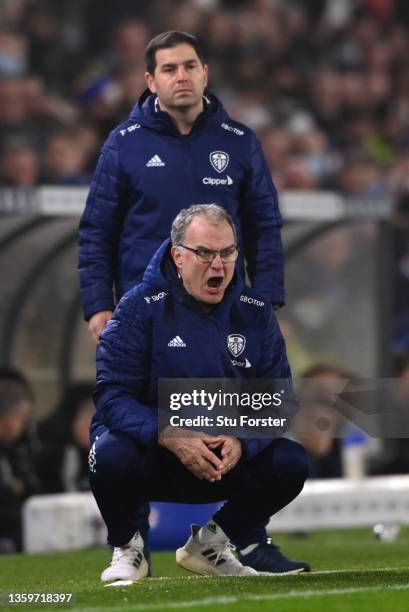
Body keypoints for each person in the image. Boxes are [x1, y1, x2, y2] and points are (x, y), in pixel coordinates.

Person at [89, 204, 309, 582]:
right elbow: (111, 397)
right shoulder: (139, 308)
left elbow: (278, 399)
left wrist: (242, 440)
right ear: (177, 255)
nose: (218, 265)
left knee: (290, 462)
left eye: (227, 252)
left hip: (224, 457)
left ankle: (211, 544)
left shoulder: (255, 311)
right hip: (157, 455)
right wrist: (169, 434)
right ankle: (129, 546)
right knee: (108, 453)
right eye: (204, 253)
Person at [78, 30, 285, 344]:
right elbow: (97, 230)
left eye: (190, 67)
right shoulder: (124, 143)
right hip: (143, 313)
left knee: (210, 396)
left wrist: (266, 301)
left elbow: (264, 228)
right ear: (151, 81)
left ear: (205, 73)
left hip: (223, 316)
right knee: (146, 394)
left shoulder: (240, 142)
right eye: (170, 69)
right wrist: (98, 305)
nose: (182, 76)